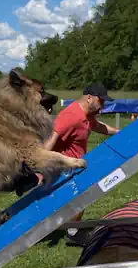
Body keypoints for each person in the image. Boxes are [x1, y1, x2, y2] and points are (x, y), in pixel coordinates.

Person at [44, 82, 119, 245]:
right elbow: (52, 137)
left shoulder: (86, 115)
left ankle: (70, 230)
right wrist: (40, 164)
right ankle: (71, 232)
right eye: (101, 101)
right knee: (82, 195)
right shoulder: (71, 116)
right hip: (64, 168)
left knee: (82, 197)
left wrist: (117, 132)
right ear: (89, 98)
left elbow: (97, 126)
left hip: (76, 165)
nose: (103, 106)